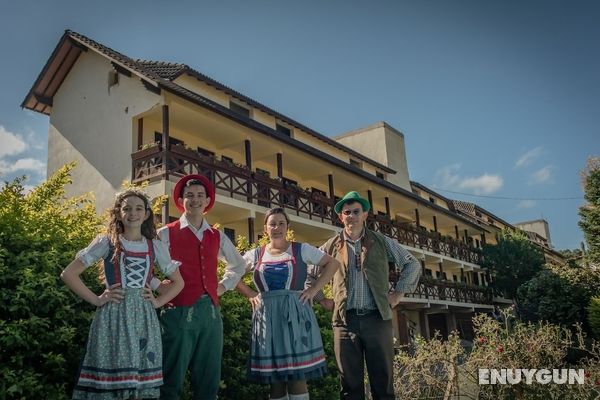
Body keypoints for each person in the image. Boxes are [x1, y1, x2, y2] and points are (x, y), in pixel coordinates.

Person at [61, 189, 184, 400]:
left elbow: (178, 282)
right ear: (118, 213)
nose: (133, 213)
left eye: (138, 208)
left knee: (140, 375)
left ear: (146, 214)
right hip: (113, 315)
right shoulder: (106, 242)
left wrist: (157, 302)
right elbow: (69, 273)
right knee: (111, 371)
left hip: (144, 317)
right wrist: (97, 299)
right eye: (127, 208)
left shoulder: (155, 245)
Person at [308, 191, 422, 400]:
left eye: (356, 211)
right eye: (347, 212)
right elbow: (308, 272)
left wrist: (398, 294)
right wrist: (320, 299)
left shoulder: (381, 241)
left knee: (382, 382)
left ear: (365, 215)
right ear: (341, 217)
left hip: (377, 319)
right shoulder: (331, 245)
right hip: (344, 322)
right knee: (349, 385)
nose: (351, 215)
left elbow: (412, 263)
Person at [236, 207, 340, 400]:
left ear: (287, 226)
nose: (277, 227)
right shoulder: (255, 255)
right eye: (272, 224)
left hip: (296, 314)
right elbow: (233, 274)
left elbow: (333, 264)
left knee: (296, 376)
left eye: (281, 223)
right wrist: (250, 293)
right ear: (265, 229)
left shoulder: (301, 249)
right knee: (275, 379)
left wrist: (314, 290)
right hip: (267, 316)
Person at [158, 174, 246, 400]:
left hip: (210, 313)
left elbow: (238, 265)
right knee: (171, 378)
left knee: (209, 379)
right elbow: (145, 264)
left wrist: (223, 288)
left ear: (207, 200)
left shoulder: (217, 236)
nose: (194, 200)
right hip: (177, 311)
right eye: (189, 195)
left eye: (199, 195)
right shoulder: (165, 232)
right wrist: (159, 287)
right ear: (181, 200)